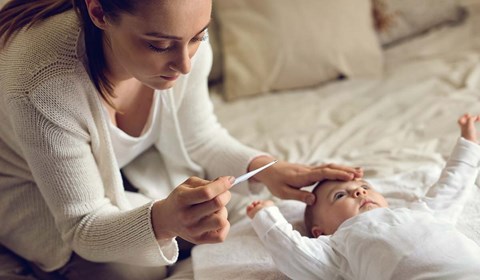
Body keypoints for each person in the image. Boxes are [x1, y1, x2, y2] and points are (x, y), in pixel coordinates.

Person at [0, 0, 364, 279]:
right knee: (139, 269)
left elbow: (201, 138)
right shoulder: (43, 84)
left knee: (241, 218)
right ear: (98, 12)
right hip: (26, 187)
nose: (185, 65)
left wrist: (267, 170)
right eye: (159, 46)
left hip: (123, 169)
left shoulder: (182, 36)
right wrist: (164, 222)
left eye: (198, 37)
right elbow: (83, 226)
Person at [246, 114, 480, 280]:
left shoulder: (421, 212)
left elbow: (452, 185)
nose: (359, 192)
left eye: (364, 186)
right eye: (339, 196)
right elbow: (294, 254)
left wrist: (469, 144)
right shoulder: (338, 247)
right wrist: (266, 216)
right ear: (320, 232)